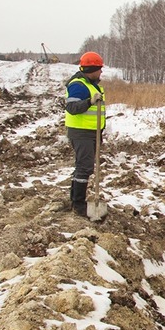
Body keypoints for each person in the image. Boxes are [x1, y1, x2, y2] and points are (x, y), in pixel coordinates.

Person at [64, 52, 106, 217]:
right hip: (81, 133)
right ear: (92, 69)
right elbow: (72, 108)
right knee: (84, 168)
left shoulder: (90, 84)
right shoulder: (78, 85)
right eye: (99, 69)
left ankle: (75, 199)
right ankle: (78, 204)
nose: (101, 72)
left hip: (91, 132)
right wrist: (89, 102)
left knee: (83, 166)